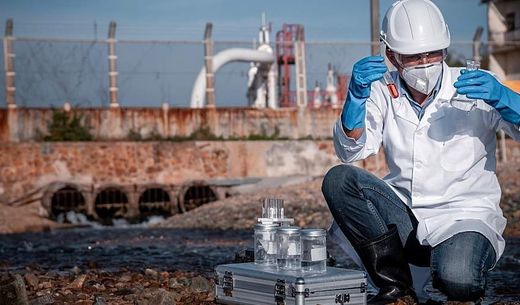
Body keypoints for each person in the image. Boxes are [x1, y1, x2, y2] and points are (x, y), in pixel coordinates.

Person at [321, 0, 520, 303]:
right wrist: (355, 99)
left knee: (459, 281)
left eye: (433, 53)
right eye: (413, 57)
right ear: (391, 54)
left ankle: (452, 266)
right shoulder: (380, 90)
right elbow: (350, 151)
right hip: (406, 218)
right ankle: (397, 288)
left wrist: (503, 96)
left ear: (445, 47)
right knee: (339, 179)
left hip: (464, 217)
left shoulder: (474, 85)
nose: (425, 62)